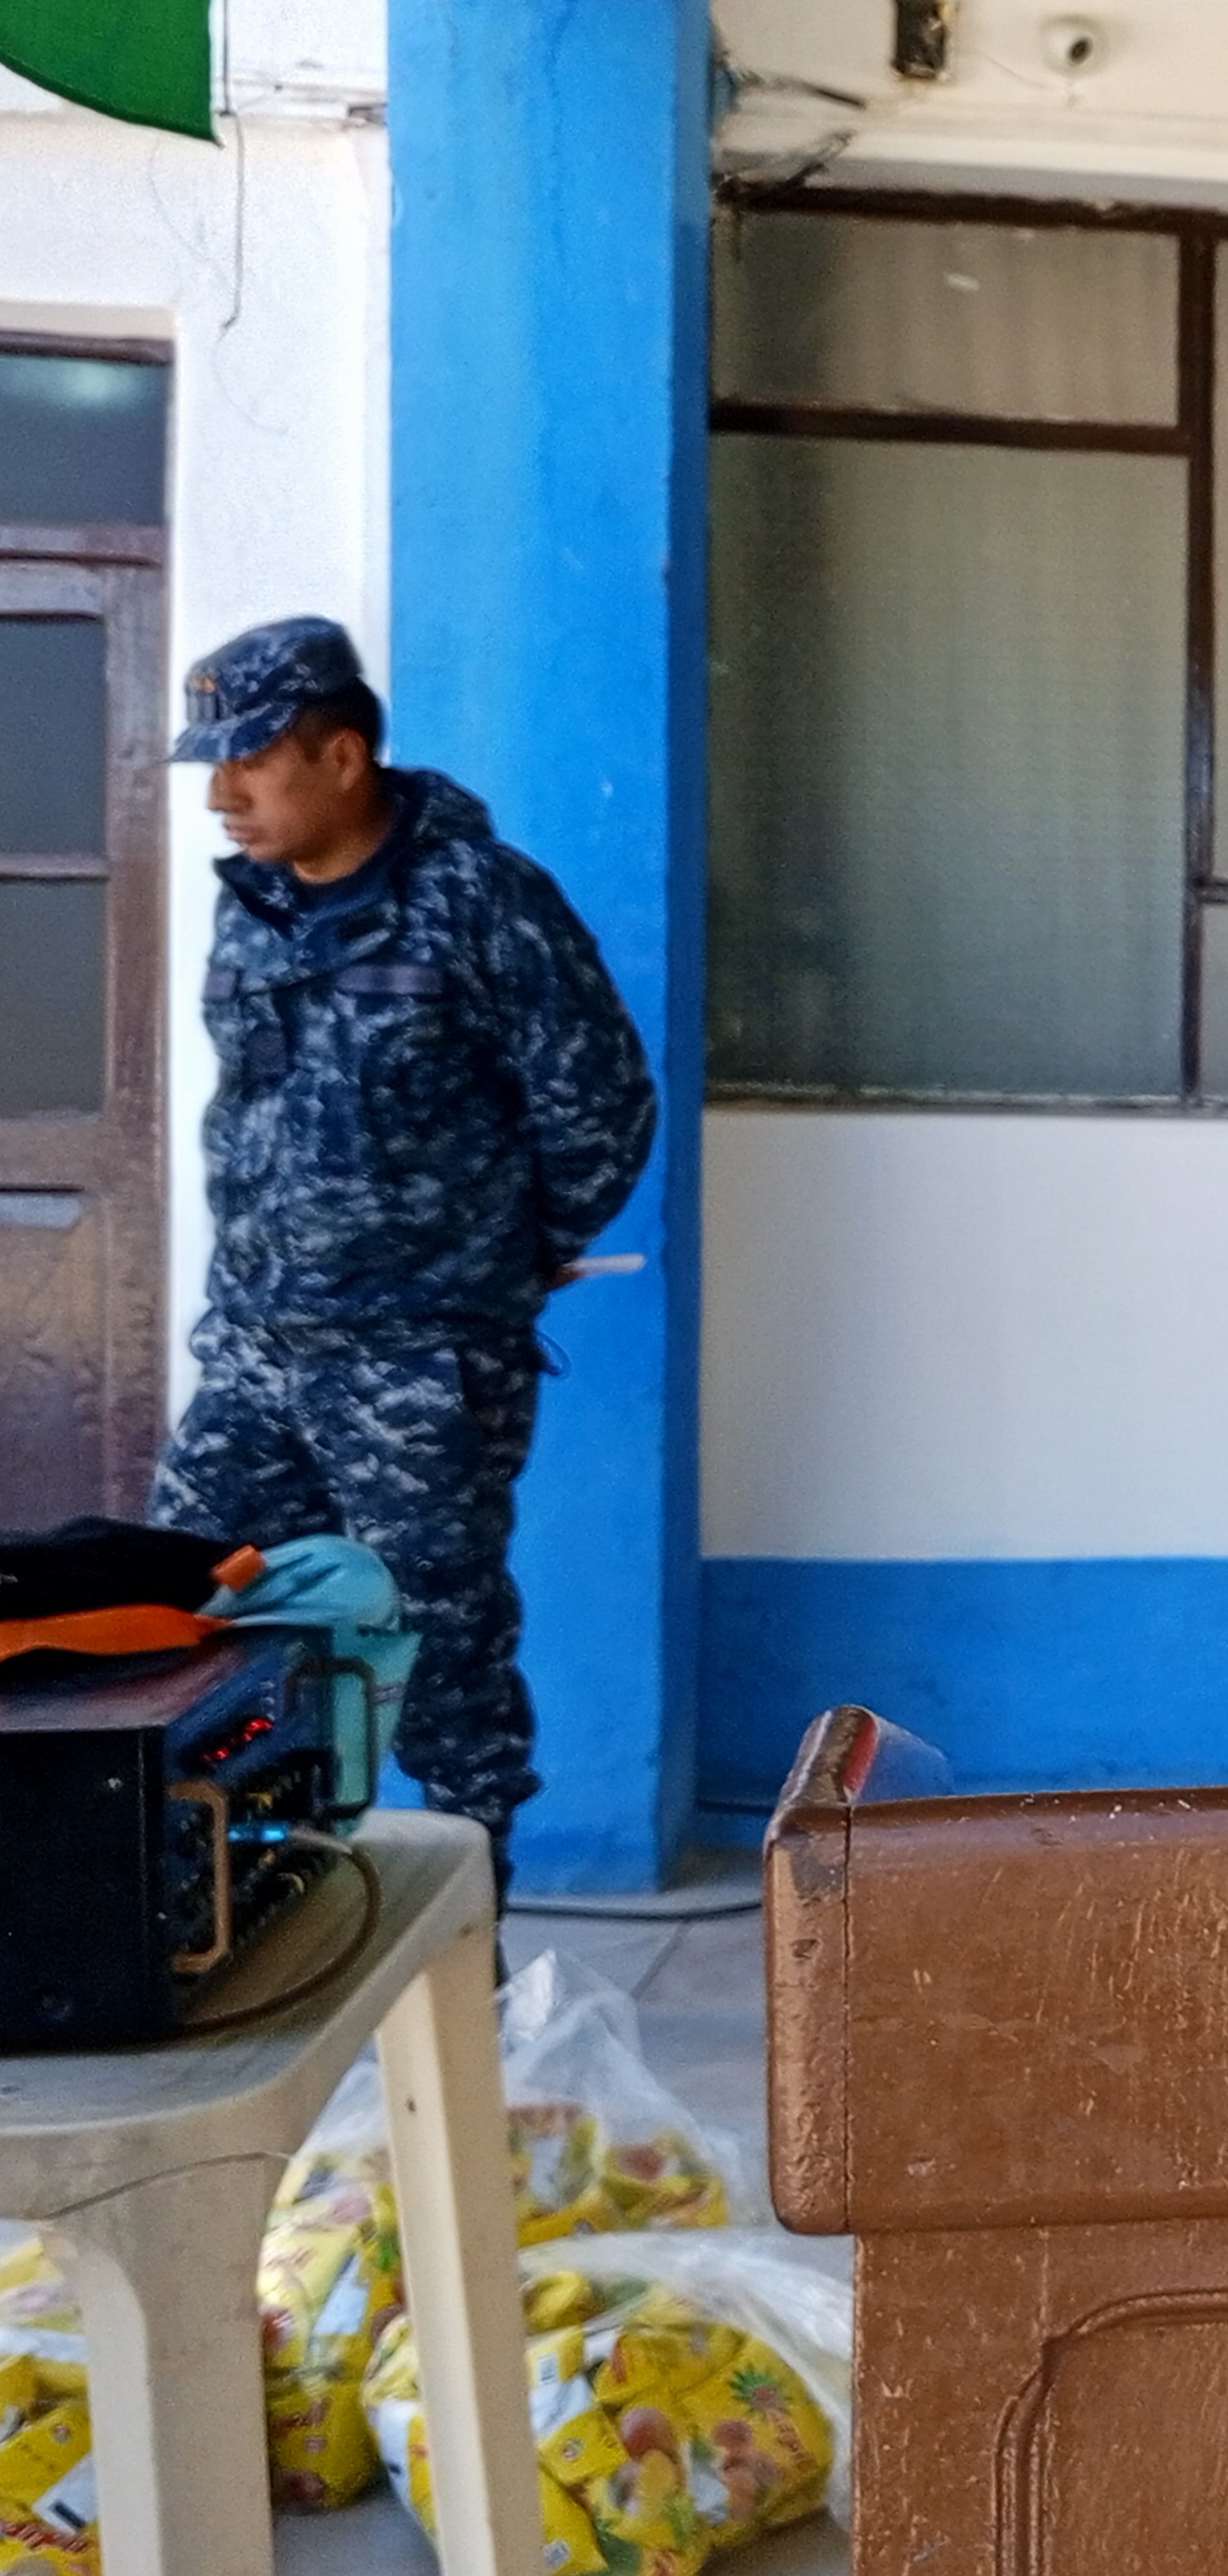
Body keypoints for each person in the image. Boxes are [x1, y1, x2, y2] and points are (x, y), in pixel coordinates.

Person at [145, 616, 657, 1892]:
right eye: (211, 765)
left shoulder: (484, 902)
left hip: (418, 1367)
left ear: (344, 754)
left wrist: (490, 1270)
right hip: (258, 1352)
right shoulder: (252, 909)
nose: (224, 794)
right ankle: (236, 1910)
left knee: (441, 1658)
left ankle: (462, 1988)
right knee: (175, 1615)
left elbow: (601, 1110)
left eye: (252, 760)